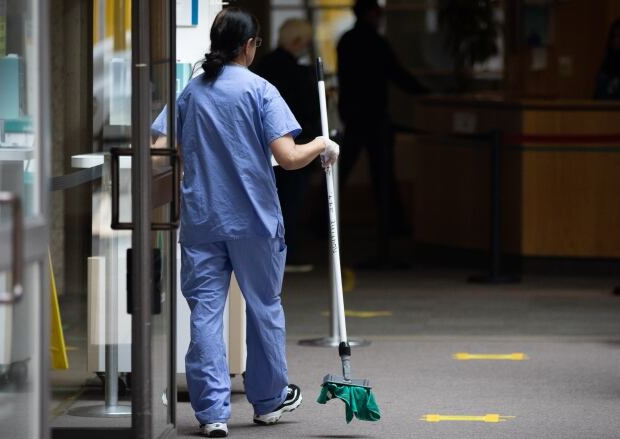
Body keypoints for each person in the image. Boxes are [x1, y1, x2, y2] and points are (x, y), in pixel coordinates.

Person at [154, 8, 339, 438]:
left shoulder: (192, 92)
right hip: (255, 220)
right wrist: (323, 143)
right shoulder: (261, 90)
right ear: (250, 45)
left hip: (202, 220)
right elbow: (290, 159)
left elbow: (160, 148)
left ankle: (212, 412)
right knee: (264, 308)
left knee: (205, 313)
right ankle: (269, 400)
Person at [337, 0, 427, 263]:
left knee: (342, 170)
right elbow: (396, 73)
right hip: (374, 115)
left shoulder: (347, 41)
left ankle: (322, 222)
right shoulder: (376, 42)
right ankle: (392, 224)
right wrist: (424, 93)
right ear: (370, 14)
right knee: (384, 172)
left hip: (353, 114)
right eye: (378, 13)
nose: (381, 18)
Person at [254, 19, 320, 272]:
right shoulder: (294, 71)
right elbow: (307, 108)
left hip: (265, 147)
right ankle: (285, 254)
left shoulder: (264, 66)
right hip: (293, 143)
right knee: (290, 202)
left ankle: (274, 252)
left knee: (275, 200)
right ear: (296, 42)